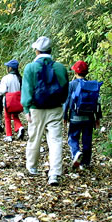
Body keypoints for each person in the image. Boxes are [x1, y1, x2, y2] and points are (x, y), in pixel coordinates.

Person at [21, 36, 68, 186]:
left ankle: (32, 167)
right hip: (55, 108)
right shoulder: (60, 67)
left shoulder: (30, 68)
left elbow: (27, 90)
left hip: (36, 109)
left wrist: (26, 108)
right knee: (55, 141)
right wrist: (61, 103)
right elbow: (65, 89)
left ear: (36, 51)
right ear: (50, 50)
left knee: (34, 138)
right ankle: (54, 173)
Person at [63, 60, 102, 169]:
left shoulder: (71, 85)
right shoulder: (92, 86)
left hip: (75, 117)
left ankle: (75, 153)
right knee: (87, 139)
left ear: (75, 72)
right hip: (89, 118)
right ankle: (85, 163)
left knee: (73, 137)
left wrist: (64, 116)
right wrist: (97, 117)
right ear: (86, 73)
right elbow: (97, 102)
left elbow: (66, 101)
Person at [0, 59, 24, 142]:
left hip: (8, 101)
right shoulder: (19, 78)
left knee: (7, 117)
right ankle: (20, 127)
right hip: (18, 101)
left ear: (10, 68)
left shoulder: (6, 78)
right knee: (15, 115)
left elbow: (2, 91)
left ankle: (9, 135)